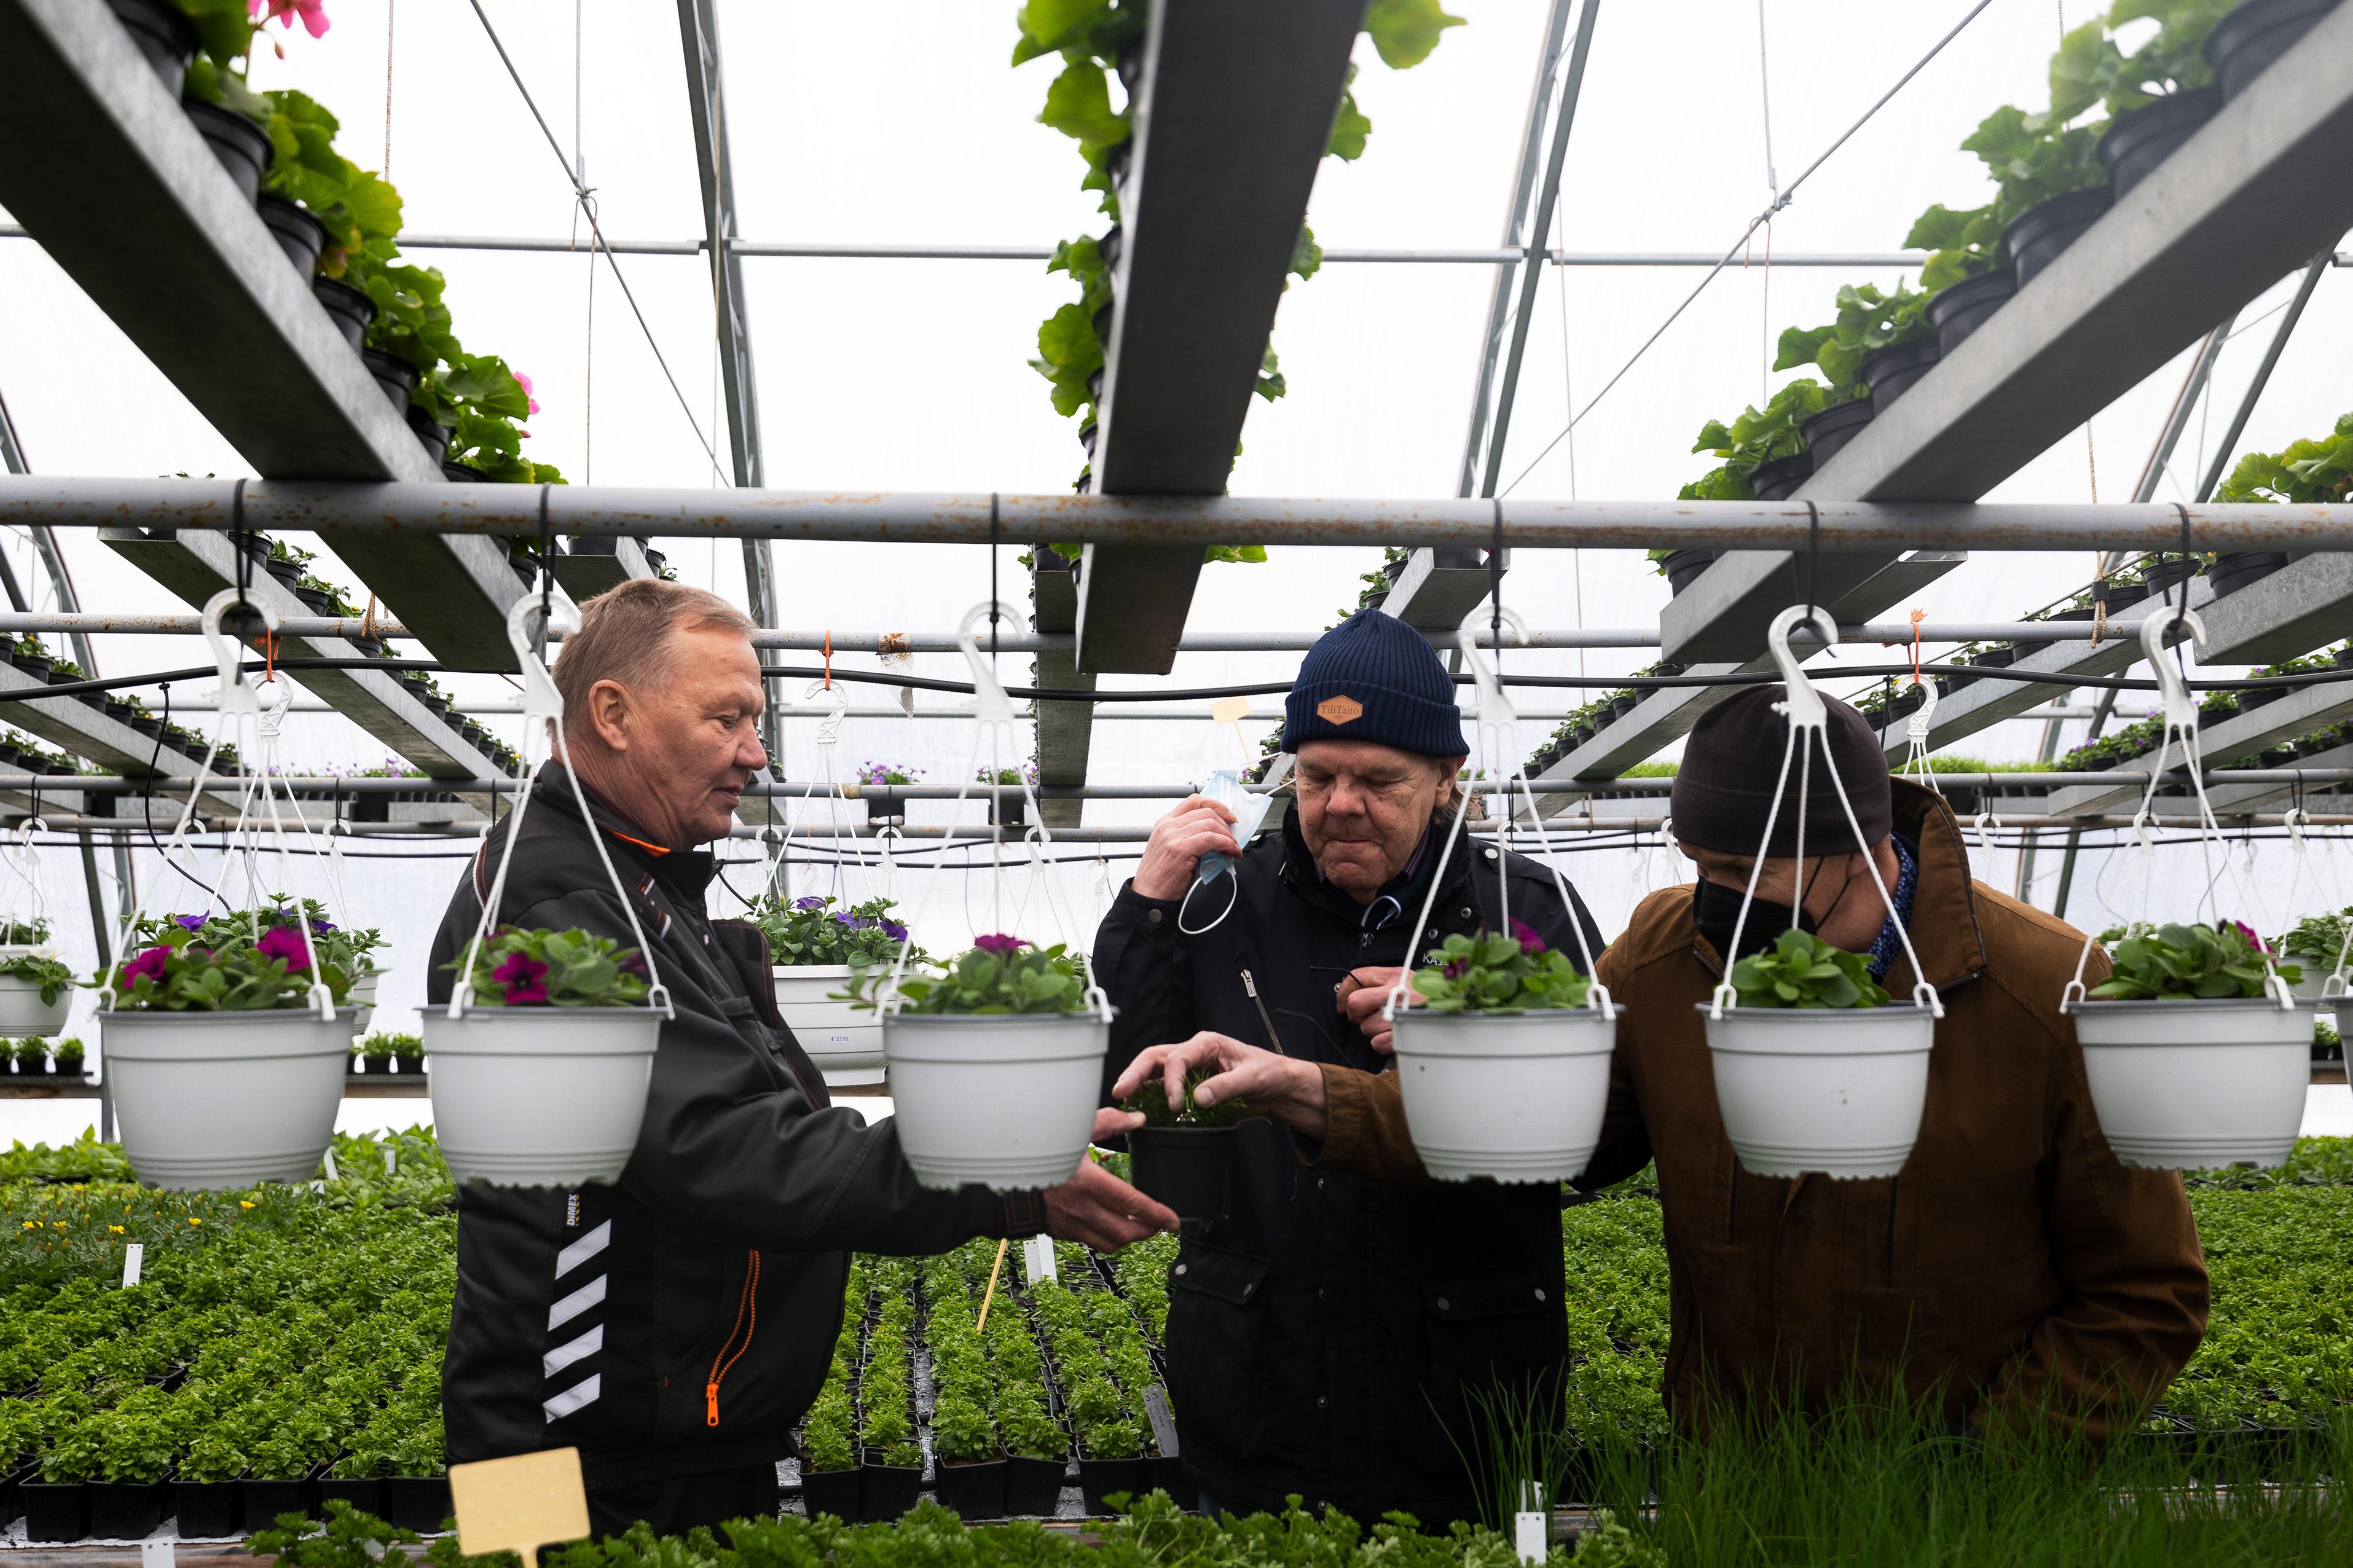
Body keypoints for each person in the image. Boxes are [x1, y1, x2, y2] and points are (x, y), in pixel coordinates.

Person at [1119, 685, 2210, 1442]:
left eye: (1744, 870)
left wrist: (1995, 1459)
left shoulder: (2045, 989)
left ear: (1860, 848)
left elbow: (2146, 1290)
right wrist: (1310, 1090)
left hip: (1967, 1500)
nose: (1715, 899)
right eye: (1700, 865)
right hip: (1732, 1479)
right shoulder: (1664, 950)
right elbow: (1536, 1124)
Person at [428, 579, 1173, 1535]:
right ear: (612, 714)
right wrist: (998, 1182)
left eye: (756, 719)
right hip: (564, 1451)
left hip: (648, 1432)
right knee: (523, 1564)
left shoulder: (634, 880)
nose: (754, 751)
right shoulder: (555, 907)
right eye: (726, 717)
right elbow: (725, 1146)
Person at [1094, 607, 1605, 1524]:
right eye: (1317, 775)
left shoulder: (1523, 911)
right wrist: (1143, 908)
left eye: (1378, 780)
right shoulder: (1221, 901)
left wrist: (1470, 1020)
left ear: (1447, 777)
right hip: (1259, 1379)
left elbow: (1593, 1134)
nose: (1340, 805)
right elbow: (1120, 1083)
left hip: (1463, 1388)